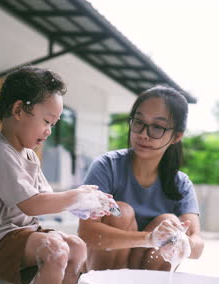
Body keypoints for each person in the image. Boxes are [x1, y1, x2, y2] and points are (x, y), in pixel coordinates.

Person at [0, 66, 114, 284]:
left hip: (18, 236)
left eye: (53, 123)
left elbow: (46, 200)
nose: (49, 131)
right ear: (19, 109)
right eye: (47, 121)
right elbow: (31, 205)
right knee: (55, 249)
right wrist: (75, 196)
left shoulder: (28, 155)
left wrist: (82, 206)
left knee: (76, 247)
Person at [78, 85, 204, 272]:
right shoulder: (107, 166)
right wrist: (150, 238)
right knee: (120, 212)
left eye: (157, 127)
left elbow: (197, 244)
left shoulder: (181, 183)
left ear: (176, 136)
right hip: (103, 270)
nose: (143, 134)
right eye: (138, 122)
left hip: (148, 270)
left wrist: (180, 241)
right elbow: (87, 231)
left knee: (170, 222)